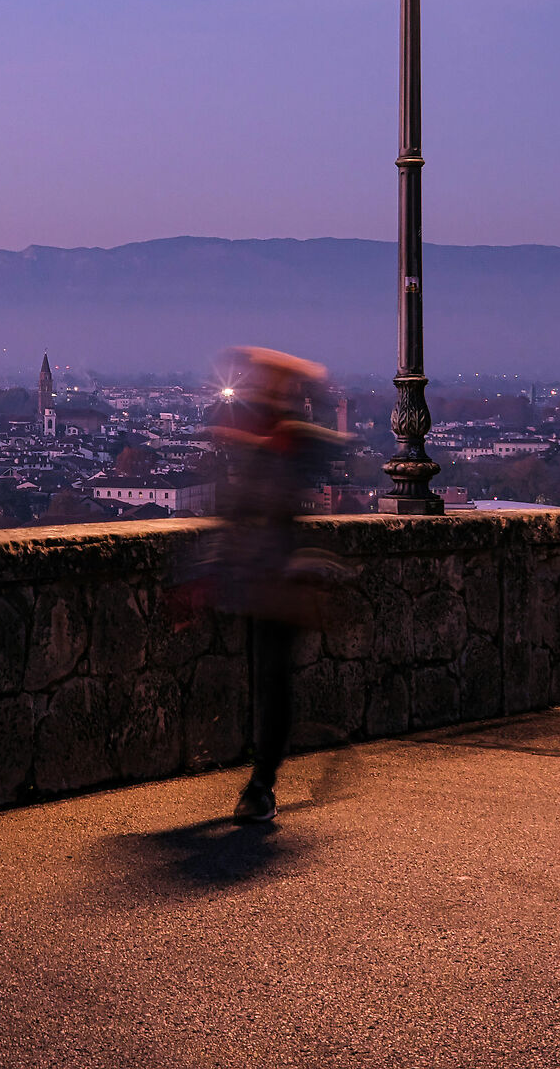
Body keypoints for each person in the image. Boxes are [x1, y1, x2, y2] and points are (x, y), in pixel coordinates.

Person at [174, 347, 349, 823]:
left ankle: (261, 784)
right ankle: (259, 780)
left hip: (276, 580)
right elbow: (236, 512)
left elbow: (320, 450)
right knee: (265, 681)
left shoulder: (290, 439)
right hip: (257, 578)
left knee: (270, 682)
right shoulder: (270, 440)